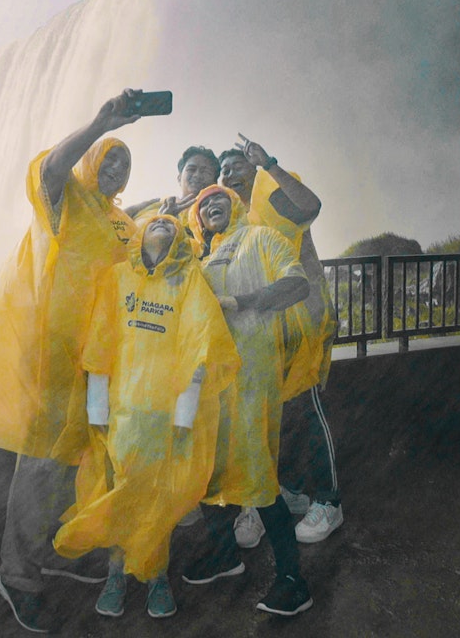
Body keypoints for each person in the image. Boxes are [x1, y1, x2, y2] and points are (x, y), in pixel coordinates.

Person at [0, 89, 145, 634]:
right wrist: (100, 120)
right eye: (110, 156)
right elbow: (53, 165)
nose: (118, 167)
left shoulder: (120, 221)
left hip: (99, 361)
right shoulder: (66, 196)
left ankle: (50, 553)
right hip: (53, 356)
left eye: (125, 161)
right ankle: (17, 574)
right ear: (91, 162)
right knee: (38, 463)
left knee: (74, 458)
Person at [52, 214, 239, 620]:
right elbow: (100, 343)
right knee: (120, 493)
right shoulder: (117, 277)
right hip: (122, 412)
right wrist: (97, 409)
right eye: (155, 223)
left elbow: (200, 350)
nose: (163, 228)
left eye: (171, 227)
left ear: (179, 241)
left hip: (164, 413)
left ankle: (156, 577)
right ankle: (116, 574)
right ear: (140, 233)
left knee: (157, 496)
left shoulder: (188, 281)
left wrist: (186, 414)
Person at [181, 185, 314, 617]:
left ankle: (293, 579)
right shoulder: (198, 261)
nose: (210, 204)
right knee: (209, 469)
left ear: (235, 204)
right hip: (209, 385)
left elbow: (297, 284)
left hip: (253, 378)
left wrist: (243, 302)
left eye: (219, 197)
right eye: (202, 203)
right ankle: (226, 556)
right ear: (196, 218)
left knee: (258, 474)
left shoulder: (260, 238)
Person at [218, 140, 344, 546]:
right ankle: (282, 492)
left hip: (299, 322)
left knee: (305, 410)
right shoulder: (232, 222)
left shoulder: (271, 197)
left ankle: (329, 501)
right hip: (260, 333)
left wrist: (269, 163)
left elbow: (310, 207)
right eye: (224, 171)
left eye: (238, 166)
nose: (230, 175)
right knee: (267, 417)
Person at [124, 145, 220, 223]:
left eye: (205, 171)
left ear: (215, 182)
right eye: (191, 169)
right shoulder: (152, 208)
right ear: (179, 178)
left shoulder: (219, 214)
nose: (197, 175)